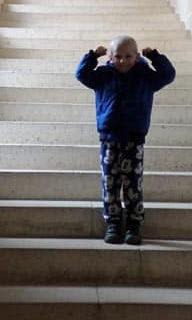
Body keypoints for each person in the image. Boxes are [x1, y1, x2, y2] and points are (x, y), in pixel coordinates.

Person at [75, 35, 176, 245]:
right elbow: (81, 74)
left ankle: (133, 224)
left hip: (134, 140)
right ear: (110, 57)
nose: (123, 61)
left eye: (128, 56)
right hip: (109, 139)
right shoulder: (102, 75)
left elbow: (168, 75)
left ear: (137, 56)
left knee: (133, 184)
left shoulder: (145, 75)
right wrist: (93, 56)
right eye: (118, 56)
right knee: (110, 184)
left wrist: (155, 57)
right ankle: (113, 222)